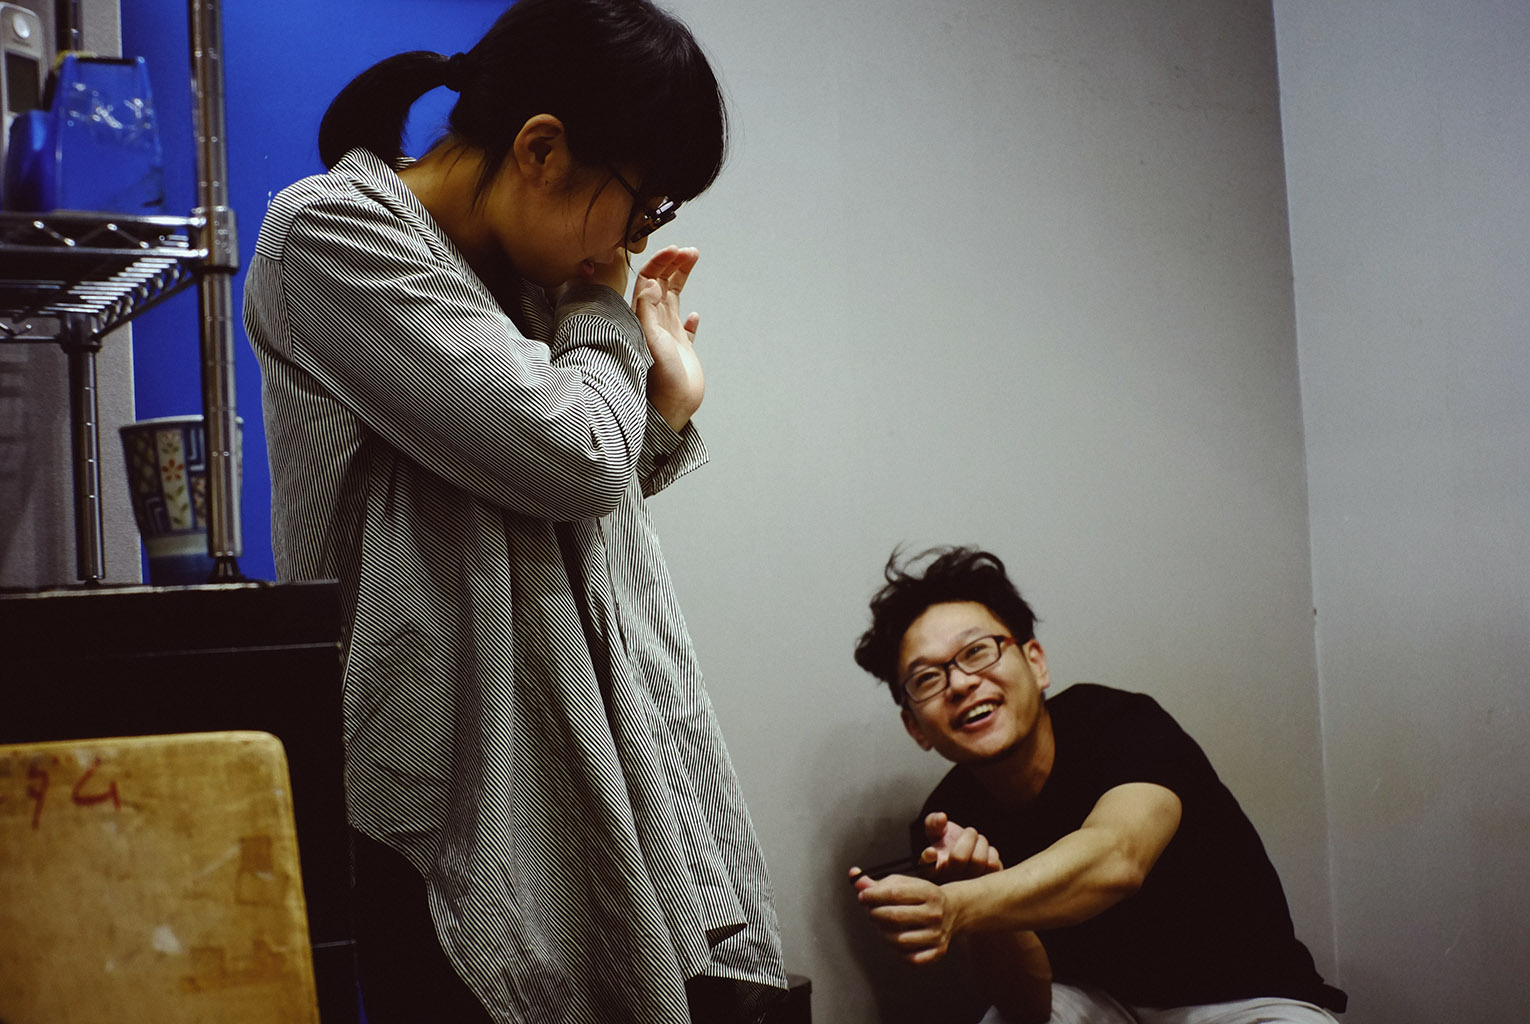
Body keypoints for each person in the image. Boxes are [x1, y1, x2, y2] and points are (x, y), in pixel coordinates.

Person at [241, 2, 785, 1022]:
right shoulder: (331, 234)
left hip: (570, 753)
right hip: (440, 788)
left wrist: (663, 413)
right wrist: (607, 320)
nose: (635, 243)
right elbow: (575, 458)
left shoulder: (523, 276)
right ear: (541, 148)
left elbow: (560, 505)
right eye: (644, 206)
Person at [848, 547, 1347, 1024]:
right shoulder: (947, 821)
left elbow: (1118, 859)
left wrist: (962, 904)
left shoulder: (1121, 725)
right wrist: (985, 910)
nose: (959, 683)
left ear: (1036, 663)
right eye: (927, 679)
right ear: (915, 727)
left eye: (977, 651)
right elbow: (1027, 1005)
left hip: (1245, 998)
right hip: (1095, 1003)